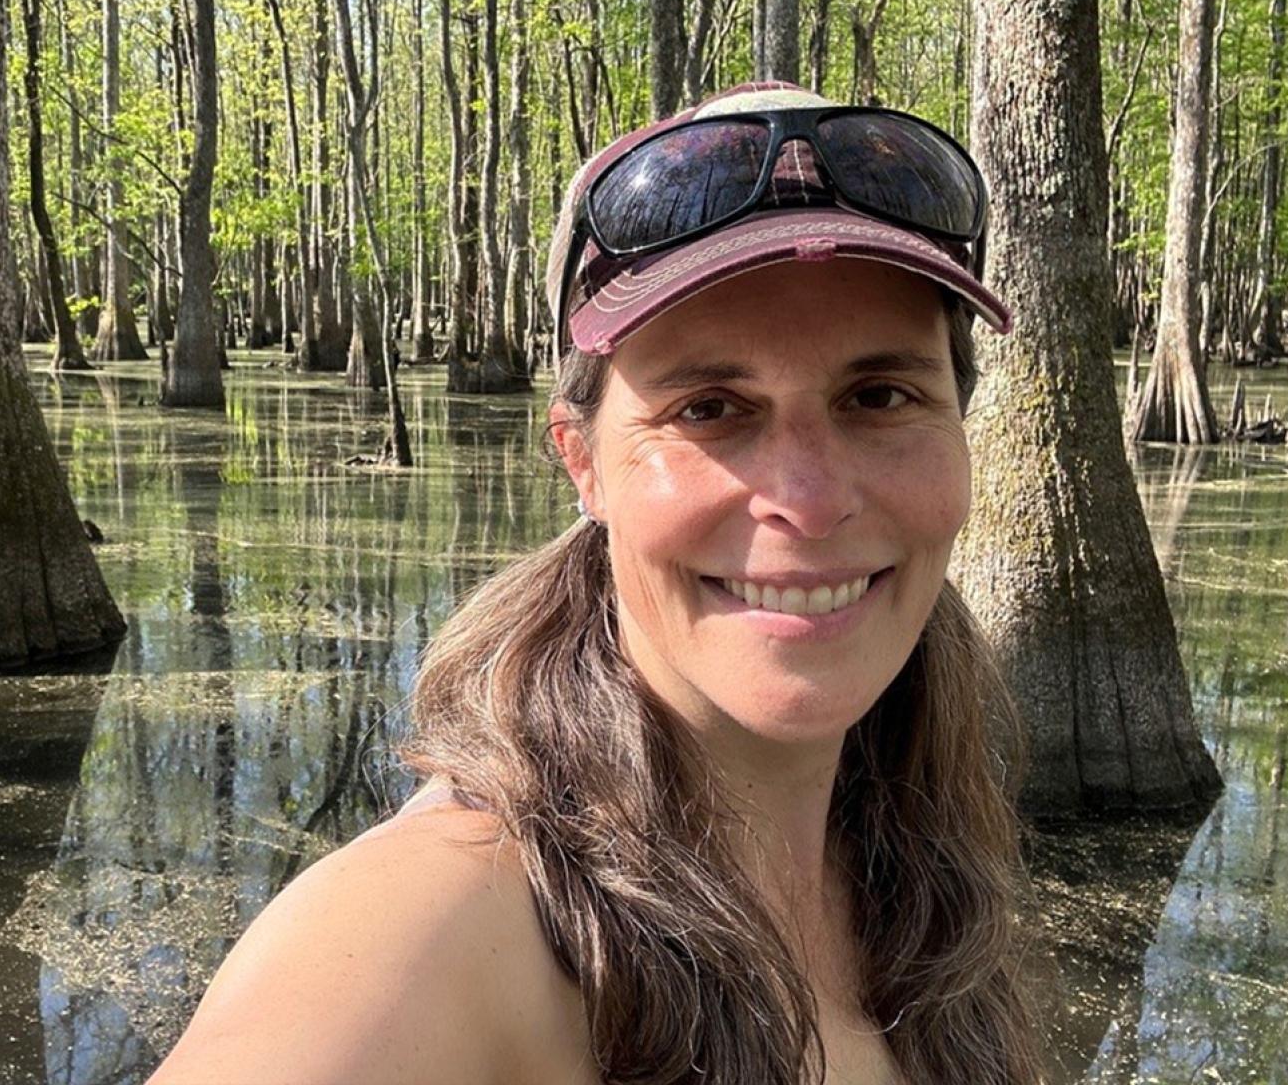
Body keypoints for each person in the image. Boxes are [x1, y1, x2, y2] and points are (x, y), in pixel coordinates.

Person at [149, 82, 1041, 1085]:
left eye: (879, 396)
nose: (808, 499)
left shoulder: (924, 859)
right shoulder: (442, 926)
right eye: (709, 409)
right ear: (584, 463)